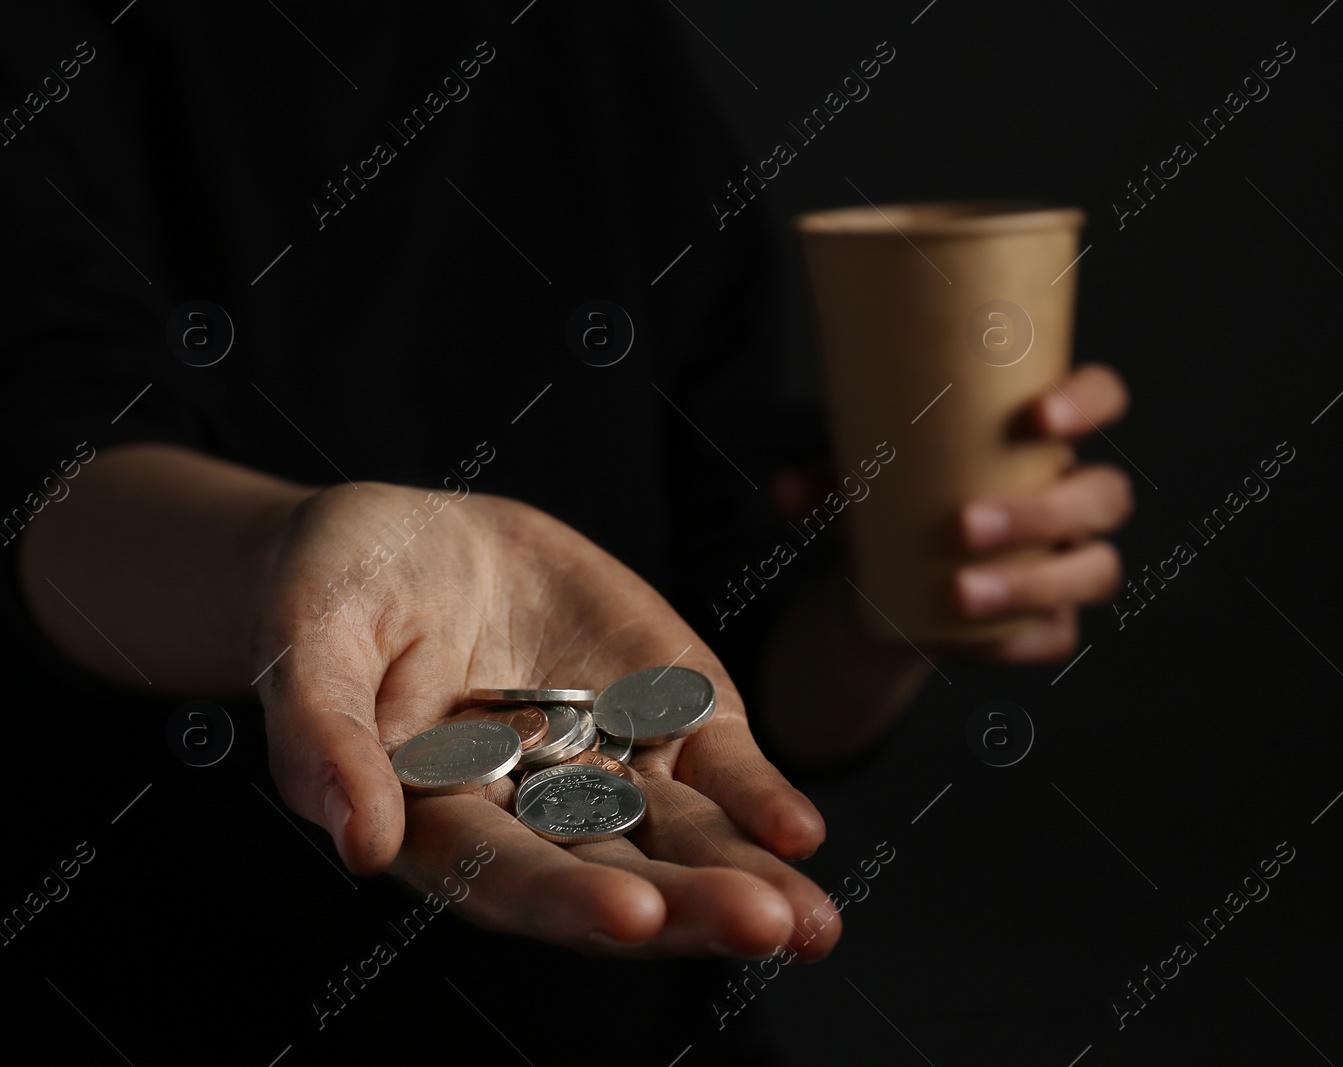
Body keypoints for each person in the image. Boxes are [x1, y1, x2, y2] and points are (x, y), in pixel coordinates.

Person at [0, 0, 1129, 1051]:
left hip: (633, 1016)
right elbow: (50, 483)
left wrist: (895, 604)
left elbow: (742, 664)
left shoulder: (596, 44)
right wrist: (292, 561)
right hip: (166, 986)